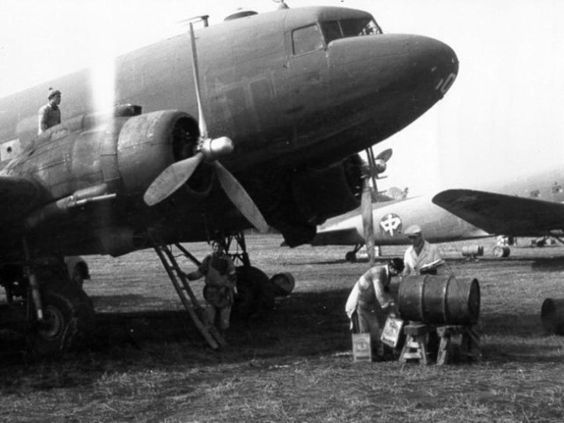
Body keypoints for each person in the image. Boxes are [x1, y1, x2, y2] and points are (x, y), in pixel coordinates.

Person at [345, 258, 404, 359]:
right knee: (362, 330)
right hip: (357, 304)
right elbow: (379, 293)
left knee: (374, 330)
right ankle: (362, 357)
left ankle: (377, 354)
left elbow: (386, 291)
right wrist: (388, 309)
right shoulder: (378, 272)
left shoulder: (387, 275)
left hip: (368, 305)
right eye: (396, 270)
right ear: (390, 267)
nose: (397, 273)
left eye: (399, 271)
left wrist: (393, 306)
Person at [187, 240, 237, 335]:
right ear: (212, 247)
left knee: (224, 318)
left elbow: (233, 277)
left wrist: (227, 288)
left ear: (222, 248)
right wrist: (189, 276)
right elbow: (200, 272)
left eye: (219, 246)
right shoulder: (208, 259)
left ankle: (223, 338)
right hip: (211, 293)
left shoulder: (228, 261)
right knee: (209, 317)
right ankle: (210, 337)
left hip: (224, 293)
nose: (217, 248)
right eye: (215, 246)